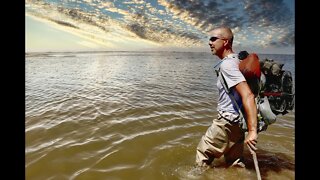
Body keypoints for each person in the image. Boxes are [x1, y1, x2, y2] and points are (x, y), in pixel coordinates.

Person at [195, 27, 258, 168]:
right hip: (238, 124)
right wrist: (249, 127)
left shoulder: (227, 65)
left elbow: (248, 94)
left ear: (225, 42)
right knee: (235, 163)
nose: (209, 43)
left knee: (202, 155)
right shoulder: (237, 60)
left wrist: (253, 131)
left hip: (226, 123)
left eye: (213, 39)